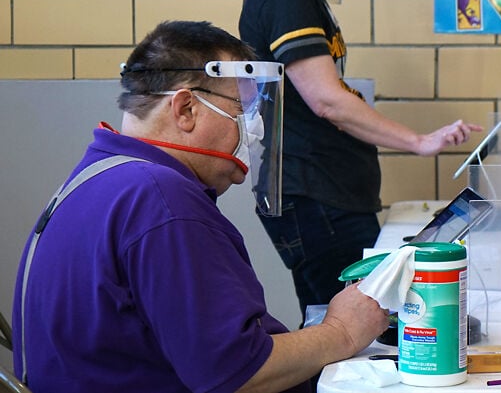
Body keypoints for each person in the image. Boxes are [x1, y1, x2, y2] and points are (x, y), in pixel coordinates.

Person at [11, 20, 390, 393]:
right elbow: (238, 374)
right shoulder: (160, 199)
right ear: (186, 109)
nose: (254, 129)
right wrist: (341, 331)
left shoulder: (101, 178)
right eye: (242, 109)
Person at [237, 0, 481, 321]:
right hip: (316, 198)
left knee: (351, 326)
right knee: (348, 331)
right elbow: (327, 101)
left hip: (329, 194)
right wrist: (418, 142)